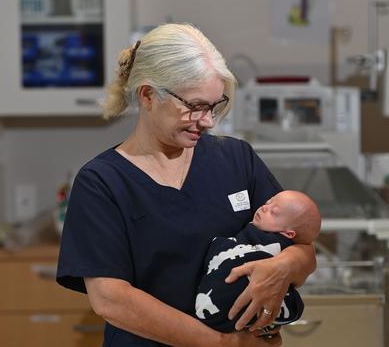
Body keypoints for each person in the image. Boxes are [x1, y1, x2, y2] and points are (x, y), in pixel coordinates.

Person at [56, 23, 316, 347]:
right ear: (148, 95)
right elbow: (111, 300)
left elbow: (303, 247)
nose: (207, 121)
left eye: (214, 105)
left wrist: (284, 266)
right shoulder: (102, 183)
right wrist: (224, 344)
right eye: (194, 106)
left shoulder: (236, 159)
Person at [195, 190, 321, 333]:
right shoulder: (252, 231)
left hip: (224, 310)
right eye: (267, 202)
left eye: (274, 212)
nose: (264, 207)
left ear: (288, 234)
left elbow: (308, 254)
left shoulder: (280, 245)